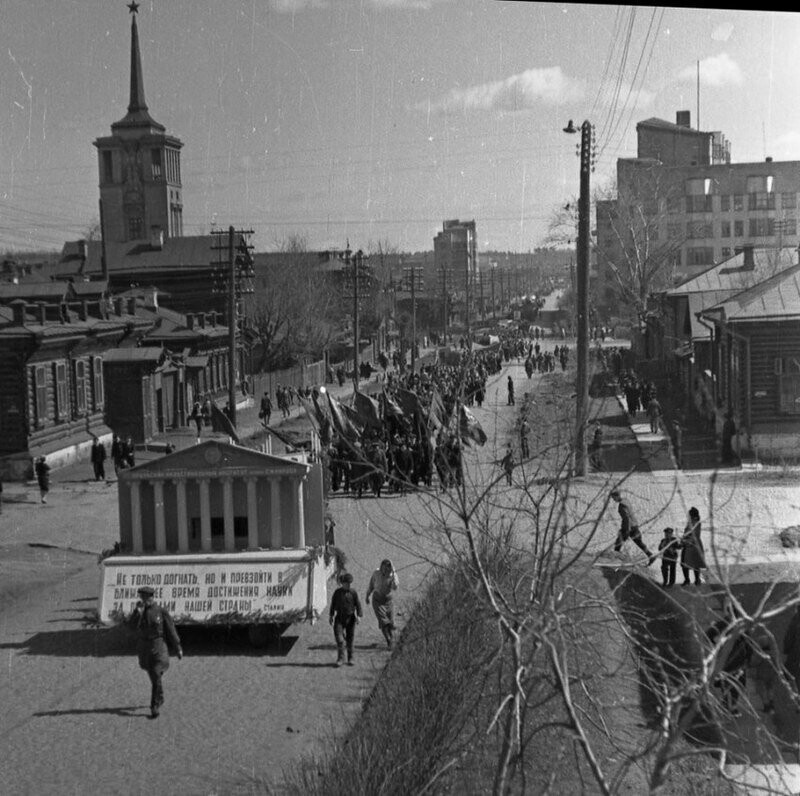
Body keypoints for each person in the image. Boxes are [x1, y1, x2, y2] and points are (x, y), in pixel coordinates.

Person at [128, 585, 183, 718]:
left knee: (156, 673)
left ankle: (154, 706)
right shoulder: (139, 612)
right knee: (154, 676)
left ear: (152, 597)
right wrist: (137, 613)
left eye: (147, 597)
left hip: (158, 647)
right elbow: (131, 627)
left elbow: (171, 630)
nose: (144, 600)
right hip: (144, 648)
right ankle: (160, 695)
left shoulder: (160, 611)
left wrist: (178, 647)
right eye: (142, 597)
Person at [707, 600, 754, 717]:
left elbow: (708, 634)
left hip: (730, 659)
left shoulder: (725, 623)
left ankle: (727, 705)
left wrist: (715, 645)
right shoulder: (737, 625)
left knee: (730, 682)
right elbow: (749, 645)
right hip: (735, 659)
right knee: (735, 683)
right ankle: (730, 706)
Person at [610, 489, 654, 564]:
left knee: (618, 543)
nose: (613, 500)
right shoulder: (626, 500)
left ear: (617, 496)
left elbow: (626, 518)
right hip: (634, 525)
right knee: (639, 542)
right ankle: (650, 555)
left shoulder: (621, 505)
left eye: (613, 498)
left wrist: (627, 530)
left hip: (628, 527)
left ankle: (615, 560)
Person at [329, 572, 362, 666]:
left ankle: (351, 658)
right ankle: (340, 658)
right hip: (339, 618)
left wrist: (359, 616)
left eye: (349, 583)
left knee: (350, 639)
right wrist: (331, 616)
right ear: (342, 583)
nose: (348, 585)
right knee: (340, 639)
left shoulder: (353, 593)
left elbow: (358, 604)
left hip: (350, 618)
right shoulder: (337, 593)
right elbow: (333, 604)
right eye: (346, 583)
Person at [366, 559, 399, 649]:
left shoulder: (392, 575)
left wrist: (393, 575)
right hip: (377, 601)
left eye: (387, 568)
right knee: (383, 622)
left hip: (388, 601)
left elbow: (395, 587)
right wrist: (367, 595)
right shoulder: (376, 573)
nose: (384, 570)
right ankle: (389, 640)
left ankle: (391, 639)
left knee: (390, 622)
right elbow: (371, 584)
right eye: (383, 567)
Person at [680, 506, 707, 585]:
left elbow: (694, 534)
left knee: (695, 563)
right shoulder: (690, 523)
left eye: (689, 515)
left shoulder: (696, 523)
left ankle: (696, 580)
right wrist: (683, 540)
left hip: (693, 545)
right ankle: (688, 580)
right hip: (688, 544)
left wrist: (686, 540)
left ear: (692, 515)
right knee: (685, 562)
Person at [783, 604, 800, 702]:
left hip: (796, 653)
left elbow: (789, 635)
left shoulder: (796, 619)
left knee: (796, 676)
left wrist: (787, 649)